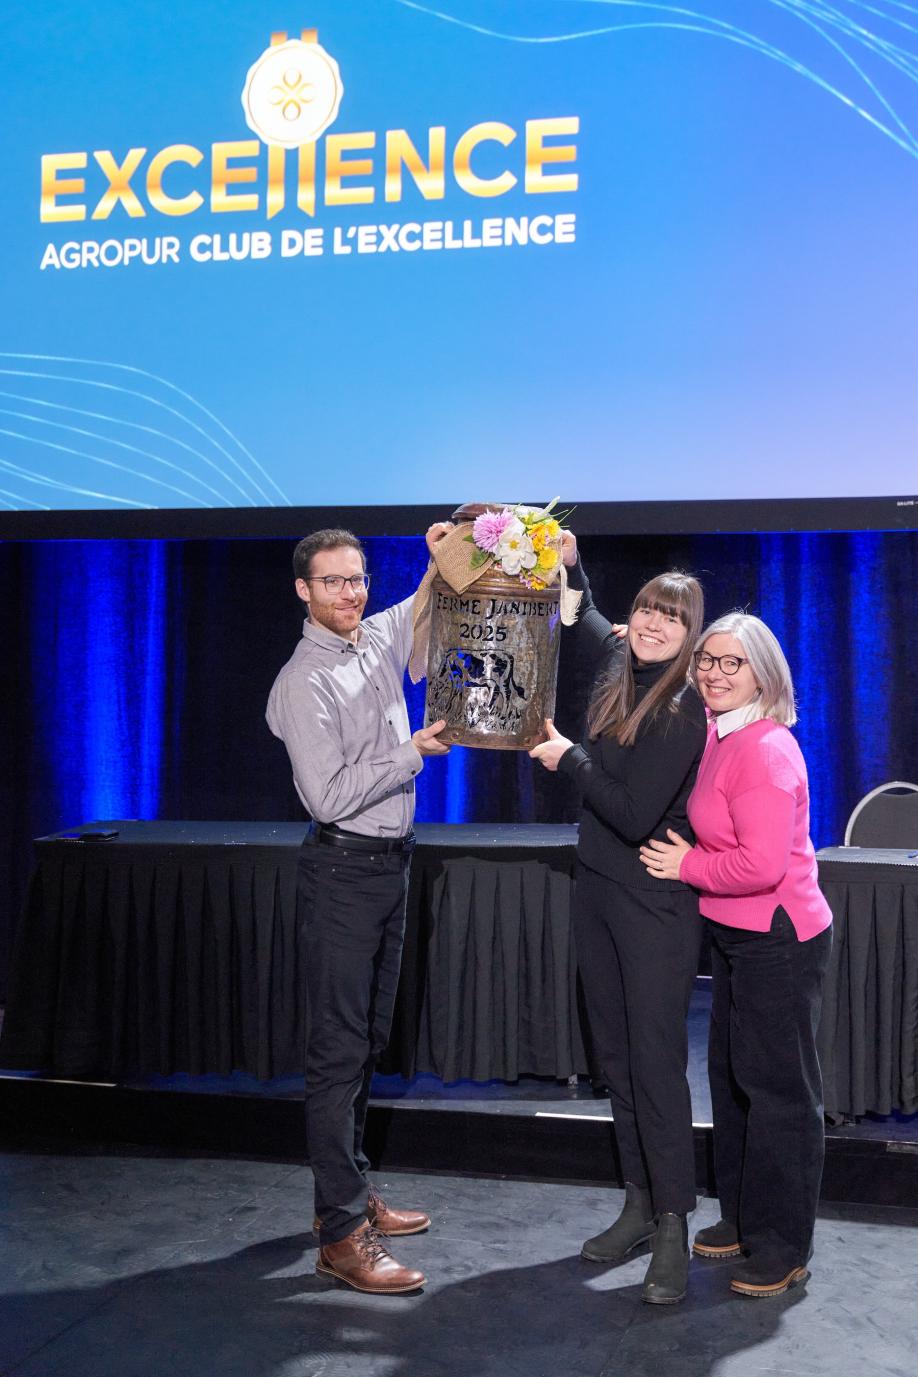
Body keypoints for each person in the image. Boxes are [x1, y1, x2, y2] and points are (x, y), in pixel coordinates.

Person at [266, 524, 452, 1295]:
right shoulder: (301, 683)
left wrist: (447, 553)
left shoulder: (374, 635)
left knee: (368, 1038)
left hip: (390, 866)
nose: (352, 592)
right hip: (343, 870)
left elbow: (425, 604)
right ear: (304, 591)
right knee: (337, 1053)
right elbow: (330, 795)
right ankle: (341, 1234)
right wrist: (412, 752)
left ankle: (347, 1194)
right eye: (334, 581)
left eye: (358, 577)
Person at [530, 537, 707, 1304]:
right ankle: (637, 1201)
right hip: (597, 891)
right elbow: (588, 616)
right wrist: (572, 564)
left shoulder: (682, 706)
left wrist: (568, 757)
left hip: (654, 904)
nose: (651, 625)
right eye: (646, 611)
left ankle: (675, 1223)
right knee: (617, 1057)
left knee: (657, 1065)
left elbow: (636, 814)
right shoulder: (616, 659)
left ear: (690, 633)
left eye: (671, 618)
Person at [640, 613, 832, 1299]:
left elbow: (758, 863)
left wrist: (688, 864)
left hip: (777, 937)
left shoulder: (766, 748)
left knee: (780, 1093)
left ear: (763, 674)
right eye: (707, 661)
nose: (715, 673)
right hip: (734, 934)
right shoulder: (723, 734)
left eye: (732, 663)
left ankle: (784, 1246)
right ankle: (747, 1220)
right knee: (733, 1081)